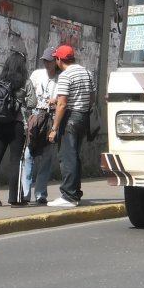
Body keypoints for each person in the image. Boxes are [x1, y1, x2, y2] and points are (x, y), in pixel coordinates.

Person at [0, 51, 36, 207]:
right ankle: (15, 199)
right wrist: (22, 103)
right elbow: (33, 103)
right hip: (16, 125)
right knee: (15, 162)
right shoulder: (25, 82)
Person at [47, 45, 96, 207]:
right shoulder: (87, 73)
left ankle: (68, 196)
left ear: (59, 60)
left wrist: (54, 128)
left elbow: (62, 104)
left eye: (56, 59)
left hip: (70, 120)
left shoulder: (65, 75)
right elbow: (92, 97)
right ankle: (75, 192)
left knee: (67, 156)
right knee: (74, 156)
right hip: (83, 118)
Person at [21, 46, 59, 205]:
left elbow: (64, 101)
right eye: (45, 61)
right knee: (28, 155)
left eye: (49, 61)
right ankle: (24, 193)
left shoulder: (61, 78)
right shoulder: (37, 75)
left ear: (56, 62)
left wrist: (55, 102)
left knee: (45, 157)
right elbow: (27, 93)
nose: (46, 64)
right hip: (35, 118)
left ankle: (41, 193)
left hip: (50, 118)